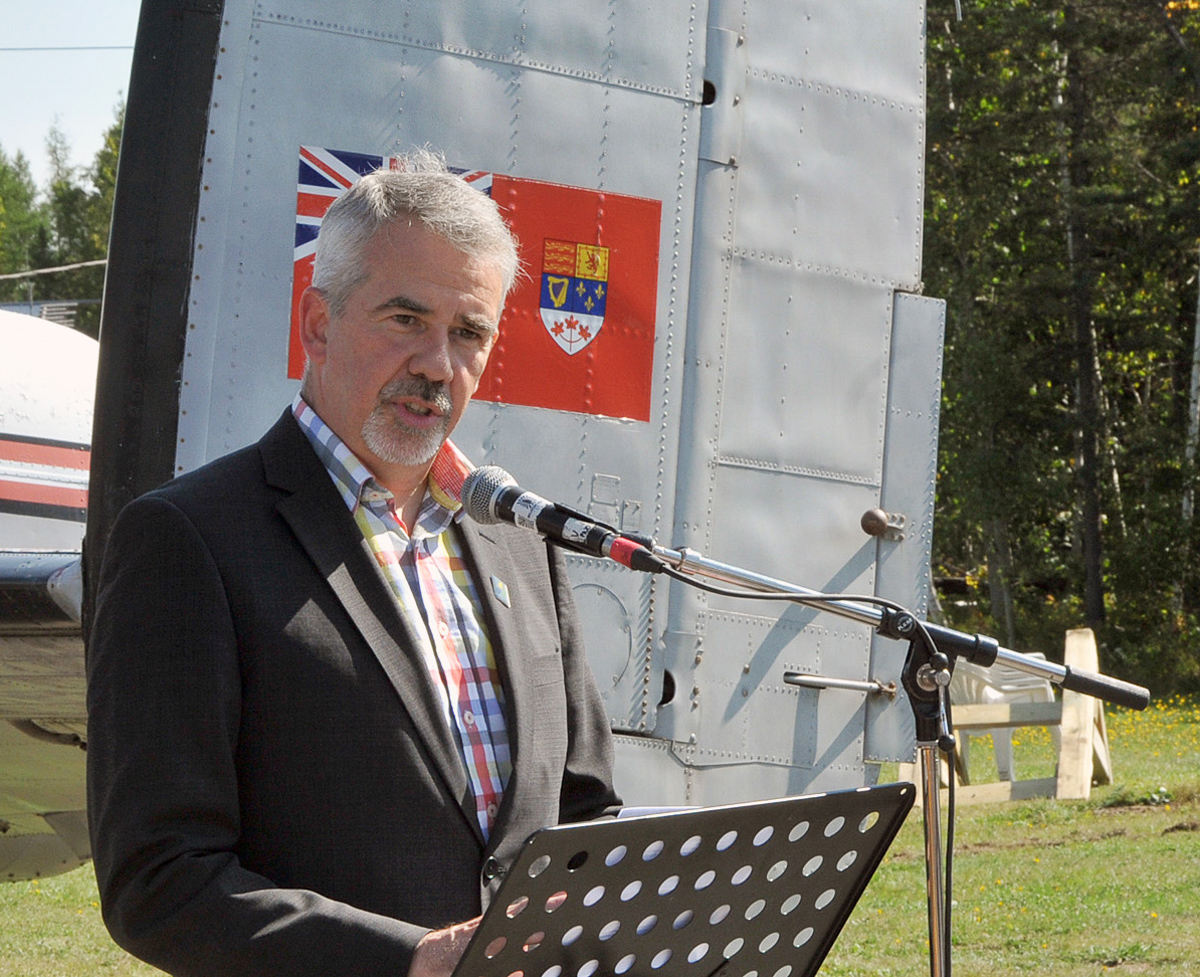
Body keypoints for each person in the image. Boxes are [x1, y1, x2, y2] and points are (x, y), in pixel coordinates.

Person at [86, 151, 622, 977]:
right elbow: (158, 880)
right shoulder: (187, 539)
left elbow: (585, 807)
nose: (439, 364)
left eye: (469, 332)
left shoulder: (523, 540)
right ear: (319, 323)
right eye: (406, 319)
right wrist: (407, 958)